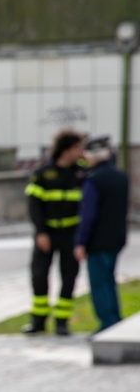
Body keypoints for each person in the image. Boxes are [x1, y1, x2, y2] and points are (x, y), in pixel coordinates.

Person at [22, 129, 87, 335]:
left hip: (71, 234)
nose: (80, 152)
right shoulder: (43, 174)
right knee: (39, 276)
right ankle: (38, 321)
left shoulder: (82, 174)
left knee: (69, 277)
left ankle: (61, 322)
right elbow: (34, 206)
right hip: (47, 233)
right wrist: (40, 232)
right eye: (78, 147)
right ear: (66, 149)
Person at [74, 135, 130, 333]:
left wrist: (80, 242)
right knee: (110, 281)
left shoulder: (94, 180)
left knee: (100, 283)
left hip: (98, 240)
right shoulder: (120, 177)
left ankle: (107, 323)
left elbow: (87, 215)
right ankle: (115, 320)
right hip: (117, 238)